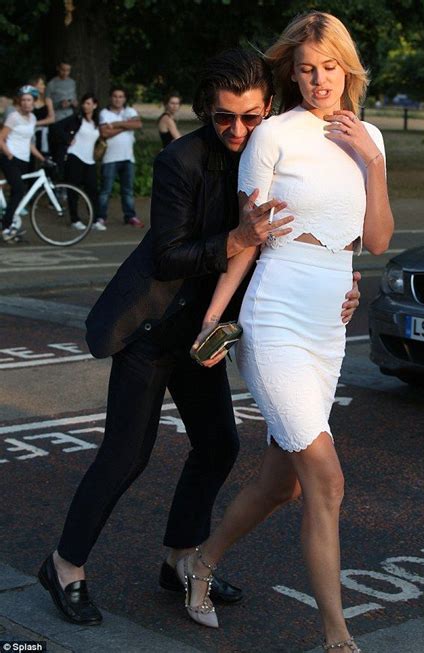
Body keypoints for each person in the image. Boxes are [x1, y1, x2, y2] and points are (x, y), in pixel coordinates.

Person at [37, 48, 361, 627]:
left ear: (267, 109)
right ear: (204, 112)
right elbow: (167, 257)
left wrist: (344, 280)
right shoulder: (179, 161)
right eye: (224, 118)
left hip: (205, 337)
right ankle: (65, 565)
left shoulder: (275, 152)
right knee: (125, 455)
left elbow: (297, 238)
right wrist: (236, 238)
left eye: (251, 117)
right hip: (152, 329)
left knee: (219, 446)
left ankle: (179, 557)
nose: (238, 130)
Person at [180, 12, 394, 651]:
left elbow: (376, 240)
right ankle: (336, 637)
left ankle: (201, 562)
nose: (318, 80)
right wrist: (216, 315)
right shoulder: (273, 135)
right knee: (325, 478)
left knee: (284, 481)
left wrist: (370, 161)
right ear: (291, 72)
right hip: (274, 314)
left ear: (346, 68)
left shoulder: (369, 136)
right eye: (306, 69)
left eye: (329, 67)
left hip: (331, 323)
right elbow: (249, 240)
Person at [0, 85, 48, 242]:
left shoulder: (33, 118)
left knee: (16, 193)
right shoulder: (13, 117)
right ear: (19, 102)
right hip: (10, 159)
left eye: (29, 100)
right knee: (19, 189)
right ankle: (6, 227)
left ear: (34, 101)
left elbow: (29, 143)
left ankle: (11, 223)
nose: (26, 103)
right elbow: (1, 138)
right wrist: (9, 155)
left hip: (24, 160)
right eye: (23, 100)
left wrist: (43, 158)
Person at [96, 87, 144, 228]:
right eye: (115, 96)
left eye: (121, 96)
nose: (118, 99)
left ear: (124, 98)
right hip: (109, 158)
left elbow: (138, 124)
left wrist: (116, 125)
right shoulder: (104, 113)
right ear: (111, 97)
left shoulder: (129, 111)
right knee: (105, 191)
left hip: (128, 158)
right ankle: (101, 217)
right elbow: (104, 133)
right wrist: (126, 126)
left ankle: (130, 216)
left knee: (128, 191)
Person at [54, 93, 102, 231]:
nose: (85, 106)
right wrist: (67, 139)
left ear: (95, 105)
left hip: (89, 160)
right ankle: (75, 219)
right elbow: (56, 127)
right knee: (73, 190)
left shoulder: (96, 122)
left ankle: (94, 219)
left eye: (88, 103)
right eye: (84, 103)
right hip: (75, 157)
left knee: (92, 190)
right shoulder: (76, 119)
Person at [46, 62, 78, 179]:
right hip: (58, 119)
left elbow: (74, 97)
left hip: (70, 117)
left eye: (68, 70)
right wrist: (59, 104)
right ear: (58, 69)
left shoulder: (72, 82)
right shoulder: (52, 84)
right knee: (58, 151)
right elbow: (48, 102)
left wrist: (74, 103)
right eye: (63, 70)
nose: (65, 73)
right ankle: (56, 179)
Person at [30, 75, 55, 160]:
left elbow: (52, 119)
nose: (44, 86)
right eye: (41, 84)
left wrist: (35, 123)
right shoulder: (29, 102)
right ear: (34, 86)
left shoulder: (47, 100)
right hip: (31, 134)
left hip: (44, 133)